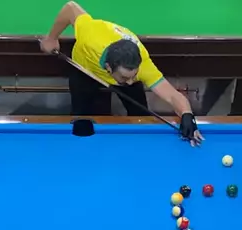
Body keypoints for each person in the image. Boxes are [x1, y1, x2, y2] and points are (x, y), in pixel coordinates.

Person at [40, 1, 204, 147]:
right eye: (126, 77)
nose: (131, 81)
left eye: (134, 75)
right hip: (85, 71)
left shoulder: (142, 66)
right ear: (108, 68)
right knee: (80, 116)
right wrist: (51, 38)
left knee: (140, 115)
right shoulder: (90, 36)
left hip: (118, 74)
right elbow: (70, 8)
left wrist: (187, 115)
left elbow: (172, 96)